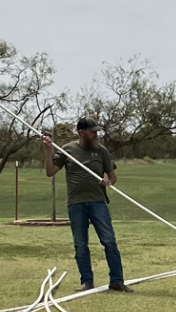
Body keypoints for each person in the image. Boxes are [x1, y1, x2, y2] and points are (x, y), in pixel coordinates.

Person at [42, 120, 132, 291]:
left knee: (109, 241)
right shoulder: (67, 149)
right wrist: (49, 149)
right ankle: (87, 282)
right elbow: (50, 171)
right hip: (76, 204)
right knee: (81, 244)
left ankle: (117, 281)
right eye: (92, 132)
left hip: (98, 202)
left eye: (97, 132)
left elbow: (113, 177)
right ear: (81, 132)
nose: (96, 135)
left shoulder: (101, 151)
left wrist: (108, 182)